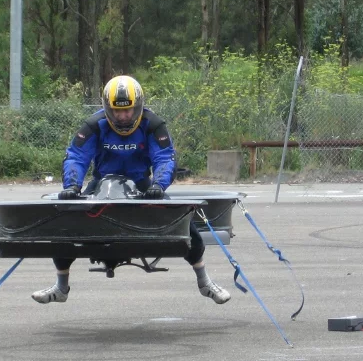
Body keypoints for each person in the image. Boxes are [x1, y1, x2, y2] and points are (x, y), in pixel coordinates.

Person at [31, 75, 231, 305]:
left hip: (143, 185)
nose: (123, 117)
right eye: (117, 111)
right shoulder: (93, 125)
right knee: (66, 225)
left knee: (183, 223)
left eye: (128, 111)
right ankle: (61, 287)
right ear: (108, 108)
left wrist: (159, 185)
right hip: (101, 184)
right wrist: (72, 186)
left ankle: (205, 283)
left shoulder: (154, 125)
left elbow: (165, 157)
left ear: (138, 106)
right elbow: (76, 156)